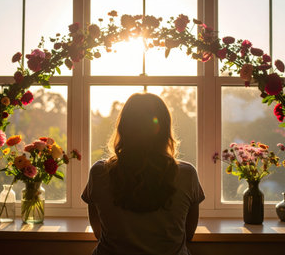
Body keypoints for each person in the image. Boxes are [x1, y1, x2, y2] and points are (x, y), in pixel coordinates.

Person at [82, 92, 205, 255]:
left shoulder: (99, 173)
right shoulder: (187, 175)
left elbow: (99, 232)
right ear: (165, 130)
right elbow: (188, 234)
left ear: (123, 128)